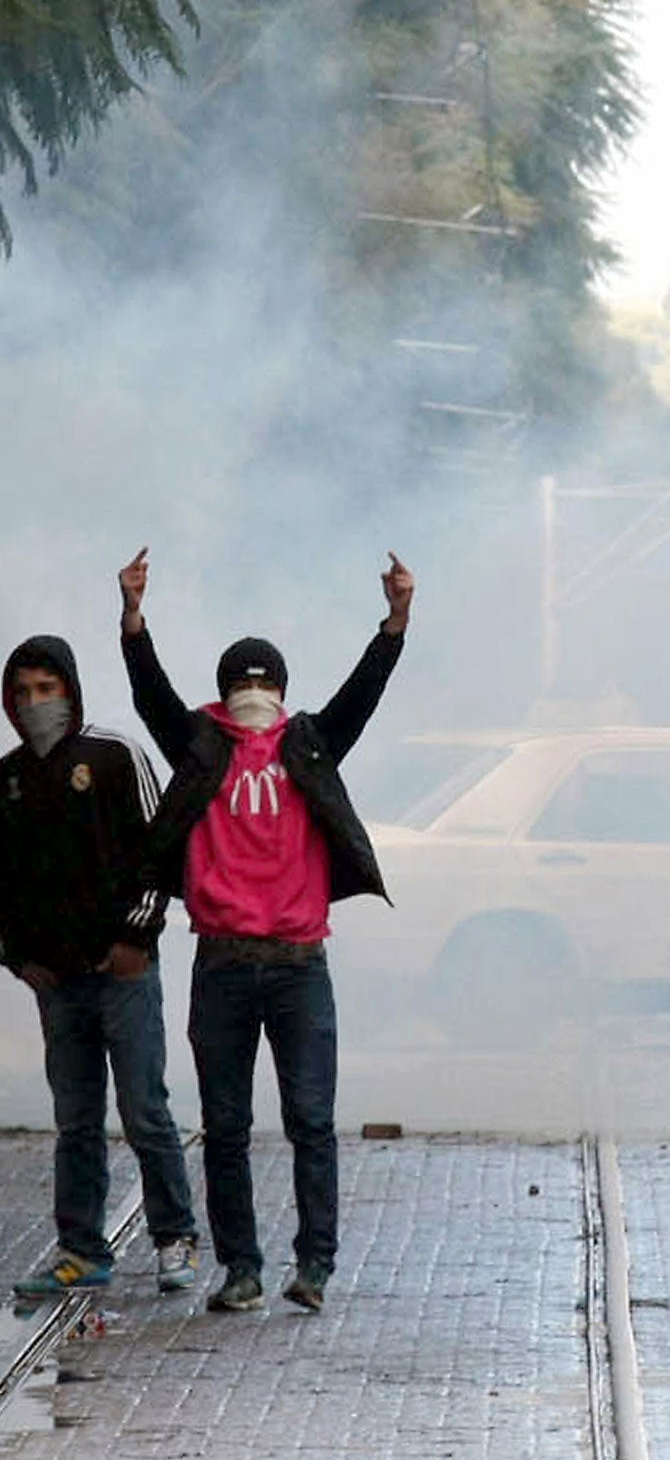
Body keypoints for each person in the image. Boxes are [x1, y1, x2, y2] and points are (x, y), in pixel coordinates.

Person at [119, 546, 412, 1312]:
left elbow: (362, 696)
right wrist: (133, 621)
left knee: (312, 1120)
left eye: (265, 682)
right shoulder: (199, 746)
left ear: (283, 690)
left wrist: (395, 623)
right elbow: (151, 697)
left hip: (298, 963)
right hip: (220, 963)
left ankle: (313, 1266)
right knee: (224, 1127)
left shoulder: (308, 742)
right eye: (242, 683)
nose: (254, 693)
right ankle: (241, 1270)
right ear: (222, 693)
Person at [1, 636, 201, 1299]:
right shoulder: (9, 779)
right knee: (75, 1120)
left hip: (122, 971)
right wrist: (17, 957)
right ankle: (81, 1250)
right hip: (56, 983)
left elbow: (160, 848)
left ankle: (175, 1238)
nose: (35, 704)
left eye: (46, 689)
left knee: (144, 1108)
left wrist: (136, 937)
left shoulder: (114, 755)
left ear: (71, 689)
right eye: (23, 692)